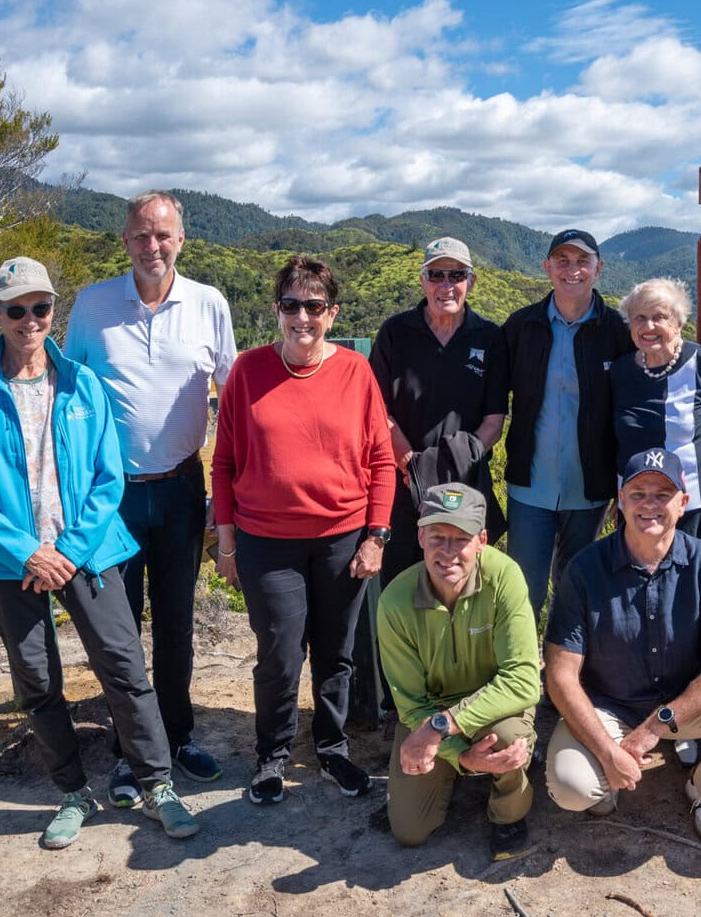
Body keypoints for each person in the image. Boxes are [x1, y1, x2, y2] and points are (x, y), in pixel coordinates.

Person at [0, 257, 198, 848]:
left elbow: (109, 479)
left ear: (55, 311)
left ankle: (158, 786)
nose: (31, 320)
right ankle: (74, 792)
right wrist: (30, 551)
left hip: (89, 552)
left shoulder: (83, 382)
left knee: (124, 669)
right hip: (10, 562)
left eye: (41, 307)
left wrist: (69, 550)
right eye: (16, 309)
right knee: (36, 679)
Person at [63, 190, 237, 803]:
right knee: (119, 631)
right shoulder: (93, 306)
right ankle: (128, 752)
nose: (152, 246)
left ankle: (178, 737)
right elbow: (63, 396)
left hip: (184, 488)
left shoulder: (209, 304)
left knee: (175, 624)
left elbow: (233, 397)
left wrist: (230, 495)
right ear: (125, 241)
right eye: (141, 235)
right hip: (109, 497)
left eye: (163, 235)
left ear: (181, 240)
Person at [212, 255, 397, 806]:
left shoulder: (355, 373)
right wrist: (225, 541)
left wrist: (376, 535)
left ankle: (332, 749)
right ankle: (271, 755)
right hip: (266, 541)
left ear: (331, 313)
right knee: (279, 653)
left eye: (313, 306)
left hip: (342, 537)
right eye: (291, 305)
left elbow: (382, 461)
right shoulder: (247, 371)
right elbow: (223, 463)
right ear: (276, 311)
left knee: (336, 652)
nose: (302, 317)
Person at [544, 449, 701, 844]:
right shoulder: (585, 568)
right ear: (620, 500)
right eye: (638, 493)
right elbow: (560, 674)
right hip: (608, 708)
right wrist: (606, 750)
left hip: (679, 709)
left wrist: (655, 727)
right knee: (572, 789)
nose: (649, 505)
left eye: (662, 494)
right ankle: (610, 770)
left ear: (683, 504)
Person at [370, 237, 507, 733]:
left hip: (468, 484)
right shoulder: (395, 333)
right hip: (405, 487)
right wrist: (410, 462)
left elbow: (495, 416)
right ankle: (401, 704)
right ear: (423, 280)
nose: (446, 285)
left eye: (456, 276)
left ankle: (470, 697)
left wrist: (464, 460)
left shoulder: (489, 337)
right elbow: (378, 409)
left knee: (469, 586)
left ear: (470, 281)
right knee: (406, 586)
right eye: (436, 275)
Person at [377, 482, 540, 860]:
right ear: (420, 536)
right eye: (437, 537)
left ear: (482, 540)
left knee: (509, 737)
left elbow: (522, 681)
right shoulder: (394, 603)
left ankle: (509, 814)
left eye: (461, 539)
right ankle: (462, 769)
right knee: (409, 831)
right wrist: (459, 754)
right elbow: (410, 704)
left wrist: (441, 728)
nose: (448, 552)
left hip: (495, 707)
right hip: (431, 714)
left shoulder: (505, 578)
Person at [493, 229, 633, 616]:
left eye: (582, 261)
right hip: (530, 486)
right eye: (563, 261)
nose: (573, 270)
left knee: (578, 591)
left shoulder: (618, 331)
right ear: (547, 268)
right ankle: (520, 671)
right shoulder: (521, 327)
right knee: (525, 591)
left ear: (599, 269)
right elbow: (488, 395)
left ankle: (565, 672)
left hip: (589, 489)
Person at [610, 278, 701, 550]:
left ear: (678, 322)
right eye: (640, 318)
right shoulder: (620, 372)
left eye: (660, 317)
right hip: (637, 505)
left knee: (694, 581)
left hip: (696, 501)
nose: (649, 327)